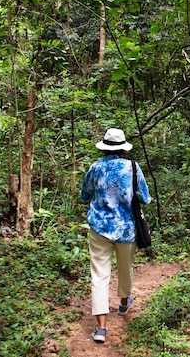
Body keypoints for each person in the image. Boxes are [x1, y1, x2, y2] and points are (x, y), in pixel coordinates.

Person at [80, 128, 152, 343]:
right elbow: (145, 198)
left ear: (104, 147)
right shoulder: (132, 167)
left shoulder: (95, 167)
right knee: (125, 269)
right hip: (126, 229)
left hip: (99, 228)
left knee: (99, 275)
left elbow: (85, 196)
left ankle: (101, 328)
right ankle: (123, 304)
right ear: (123, 148)